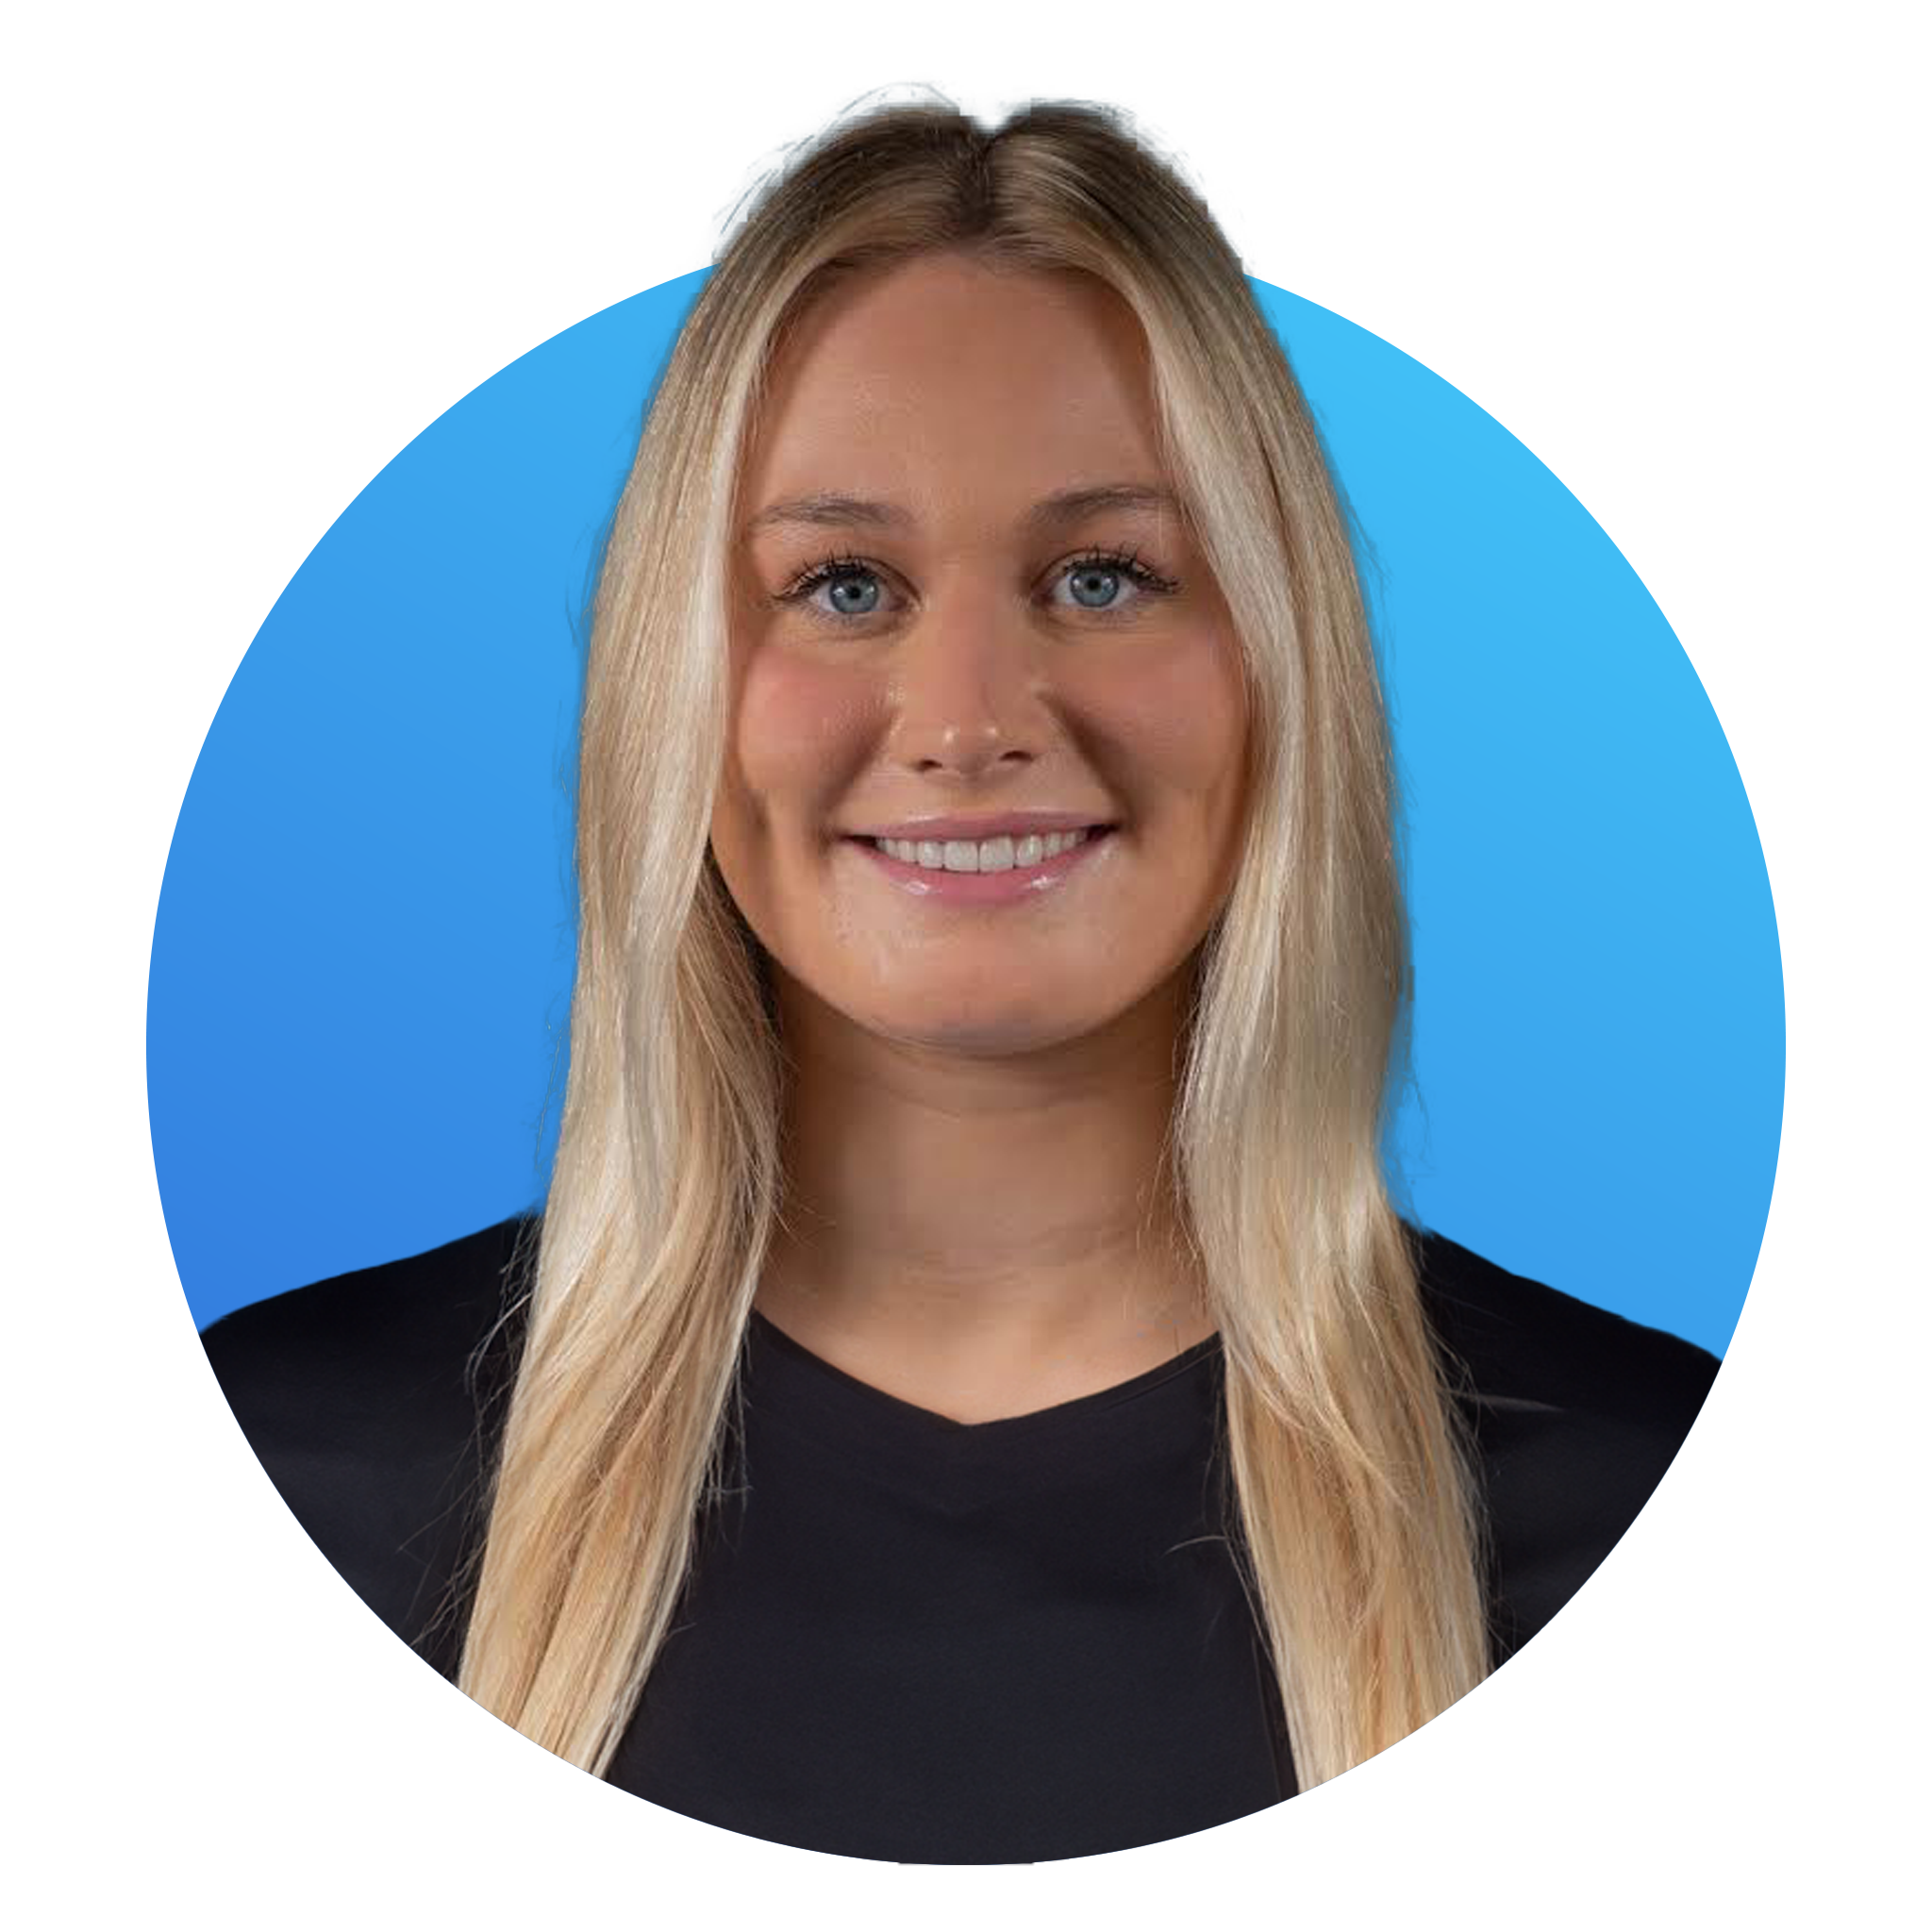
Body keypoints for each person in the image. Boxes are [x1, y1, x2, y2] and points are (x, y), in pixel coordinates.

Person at [197, 88, 1729, 1865]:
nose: (972, 721)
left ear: (1277, 670)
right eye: (843, 585)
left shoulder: (1659, 1514)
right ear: (673, 690)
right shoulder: (304, 1461)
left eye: (1104, 575)